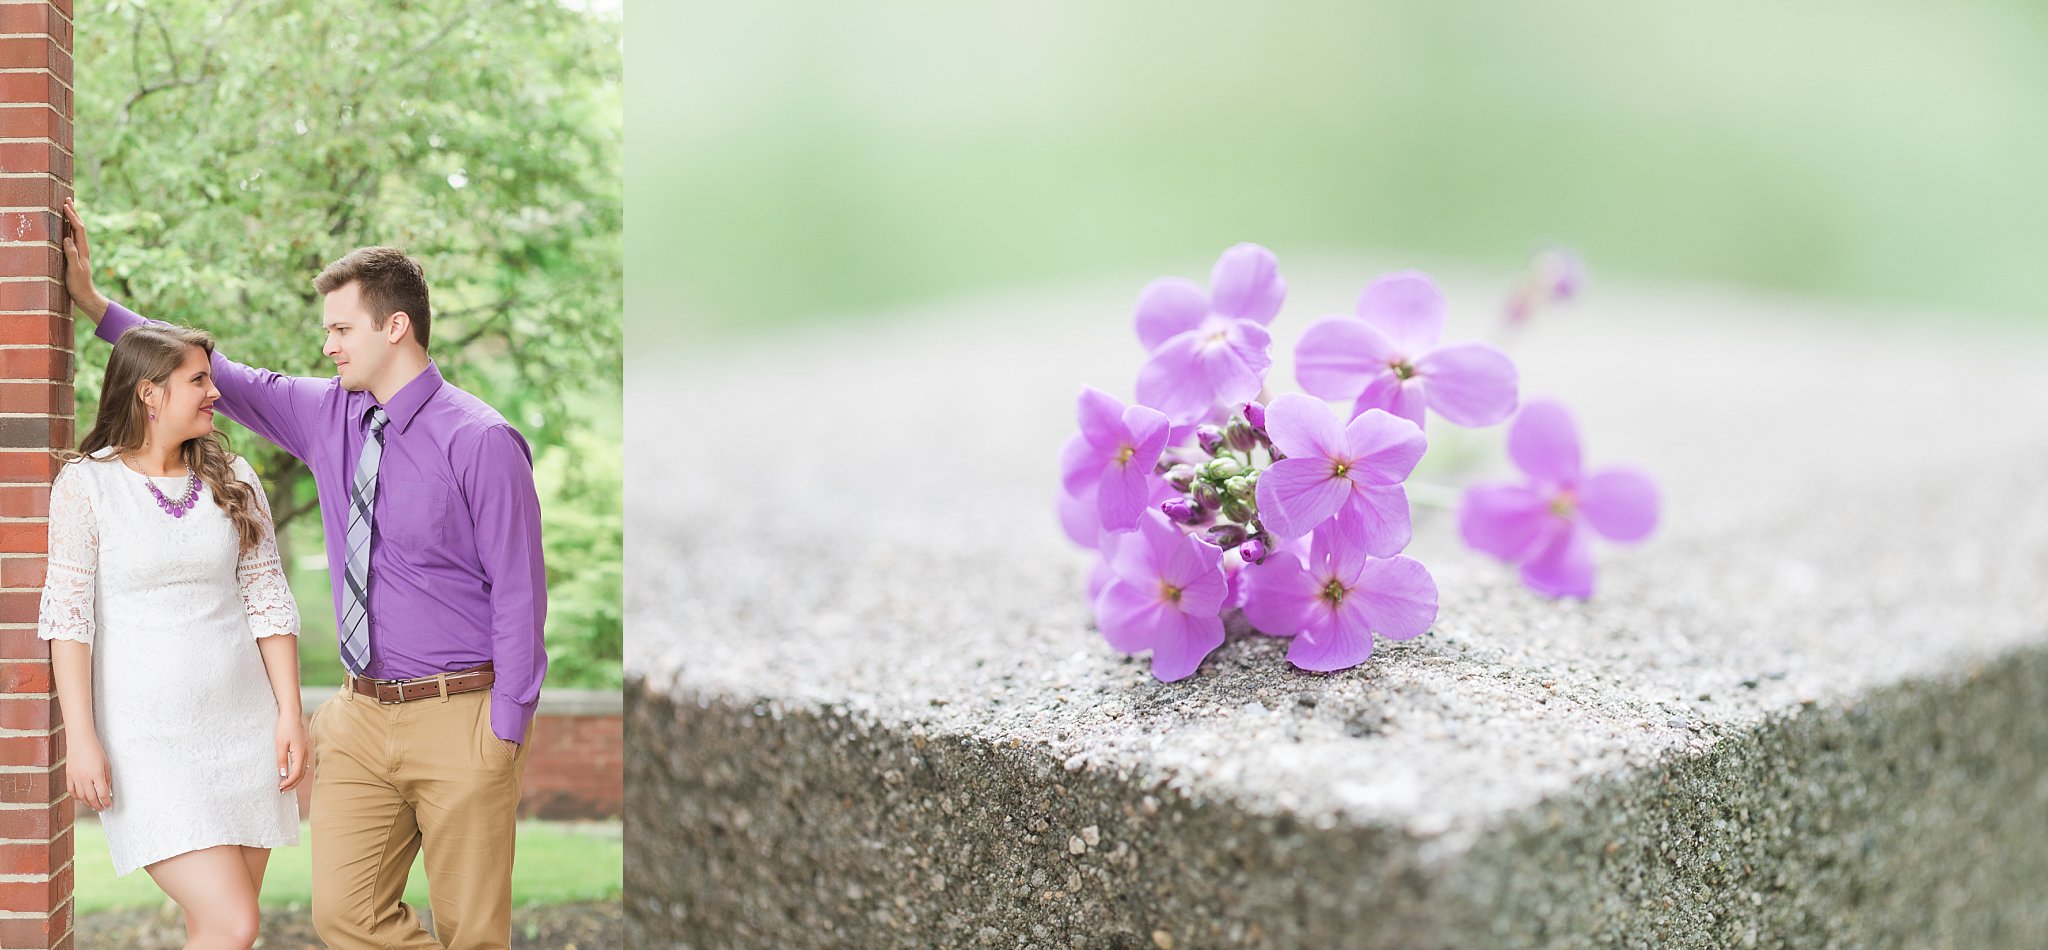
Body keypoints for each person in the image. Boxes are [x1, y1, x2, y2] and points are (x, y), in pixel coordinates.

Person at [61, 198, 548, 950]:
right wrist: (96, 306)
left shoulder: (481, 441)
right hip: (358, 717)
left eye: (341, 328)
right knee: (344, 918)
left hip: (461, 715)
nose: (328, 346)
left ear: (396, 327)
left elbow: (521, 594)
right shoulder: (328, 415)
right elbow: (203, 373)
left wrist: (505, 729)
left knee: (471, 933)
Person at [38, 322, 306, 950]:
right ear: (150, 394)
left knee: (213, 930)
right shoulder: (87, 485)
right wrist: (81, 738)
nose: (216, 392)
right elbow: (68, 619)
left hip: (243, 729)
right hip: (148, 744)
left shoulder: (233, 476)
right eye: (200, 380)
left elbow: (268, 599)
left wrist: (291, 713)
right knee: (234, 924)